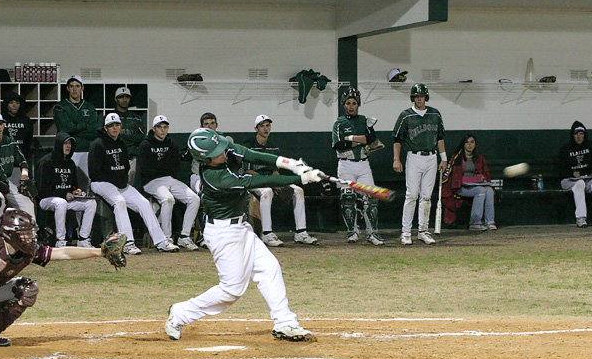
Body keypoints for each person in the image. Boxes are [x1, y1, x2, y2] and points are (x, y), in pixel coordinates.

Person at [164, 128, 324, 342]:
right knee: (231, 290)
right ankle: (180, 313)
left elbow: (253, 155)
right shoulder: (216, 178)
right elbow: (254, 182)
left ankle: (285, 322)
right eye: (217, 152)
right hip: (224, 234)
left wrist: (292, 164)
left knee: (269, 268)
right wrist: (299, 179)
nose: (224, 152)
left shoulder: (224, 149)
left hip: (241, 227)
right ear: (205, 158)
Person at [0, 208, 108, 352]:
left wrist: (99, 252)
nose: (30, 238)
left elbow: (63, 252)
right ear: (11, 234)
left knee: (27, 288)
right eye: (25, 234)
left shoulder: (27, 251)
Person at [89, 113, 179, 255]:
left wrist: (120, 181)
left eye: (117, 125)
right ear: (105, 128)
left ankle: (161, 241)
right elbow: (94, 172)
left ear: (121, 126)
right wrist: (115, 181)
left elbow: (125, 166)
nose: (114, 128)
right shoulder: (97, 144)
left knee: (143, 203)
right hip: (101, 182)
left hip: (119, 183)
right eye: (111, 126)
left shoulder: (122, 143)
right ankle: (128, 243)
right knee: (120, 202)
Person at [244, 114, 318, 247]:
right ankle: (267, 233)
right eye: (262, 126)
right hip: (253, 180)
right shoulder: (248, 146)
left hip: (270, 179)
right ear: (256, 129)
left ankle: (301, 232)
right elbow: (247, 170)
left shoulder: (274, 148)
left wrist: (280, 182)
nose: (266, 129)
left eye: (268, 126)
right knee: (267, 191)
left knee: (298, 190)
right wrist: (268, 181)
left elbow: (275, 171)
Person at [392, 83, 447, 245]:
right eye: (417, 96)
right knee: (412, 195)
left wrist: (443, 158)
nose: (419, 99)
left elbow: (440, 138)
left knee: (426, 197)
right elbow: (397, 139)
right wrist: (396, 159)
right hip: (414, 157)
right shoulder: (406, 116)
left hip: (432, 157)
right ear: (413, 98)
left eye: (422, 96)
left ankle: (423, 231)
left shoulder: (435, 114)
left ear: (426, 97)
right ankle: (406, 232)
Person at [139, 115, 200, 250]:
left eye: (165, 127)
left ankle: (184, 236)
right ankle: (166, 238)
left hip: (169, 179)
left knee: (194, 198)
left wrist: (163, 167)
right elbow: (146, 169)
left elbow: (175, 166)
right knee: (168, 199)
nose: (163, 130)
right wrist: (163, 167)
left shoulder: (171, 143)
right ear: (154, 129)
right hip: (151, 181)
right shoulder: (145, 145)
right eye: (160, 127)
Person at [332, 87, 384, 245]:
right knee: (348, 196)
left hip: (363, 164)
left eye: (354, 103)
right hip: (346, 164)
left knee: (372, 197)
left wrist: (350, 138)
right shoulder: (339, 123)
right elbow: (338, 145)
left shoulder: (364, 120)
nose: (351, 106)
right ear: (343, 105)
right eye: (348, 103)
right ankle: (352, 231)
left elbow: (371, 139)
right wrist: (360, 140)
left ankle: (372, 233)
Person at [36, 132, 97, 248]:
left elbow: (73, 185)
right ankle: (61, 241)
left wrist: (76, 191)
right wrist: (64, 194)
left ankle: (83, 238)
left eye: (69, 143)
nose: (68, 146)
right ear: (59, 144)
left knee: (91, 203)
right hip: (47, 200)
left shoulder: (71, 163)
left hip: (65, 199)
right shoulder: (46, 162)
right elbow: (42, 190)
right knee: (61, 202)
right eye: (65, 143)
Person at [440, 134, 497, 231]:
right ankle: (475, 223)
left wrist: (482, 179)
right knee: (481, 191)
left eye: (472, 142)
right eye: (467, 142)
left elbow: (485, 173)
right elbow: (453, 177)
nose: (469, 145)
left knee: (489, 191)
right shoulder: (456, 157)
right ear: (463, 144)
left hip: (475, 184)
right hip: (460, 187)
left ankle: (490, 222)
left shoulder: (479, 157)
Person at [557, 121, 592, 228]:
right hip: (569, 181)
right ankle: (581, 218)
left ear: (584, 134)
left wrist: (589, 172)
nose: (579, 137)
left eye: (581, 134)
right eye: (576, 134)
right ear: (572, 135)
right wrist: (572, 173)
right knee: (579, 184)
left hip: (586, 178)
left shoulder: (590, 146)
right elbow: (560, 169)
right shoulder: (565, 149)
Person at [53, 75, 99, 189]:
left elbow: (93, 131)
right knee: (66, 183)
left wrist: (74, 130)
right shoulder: (61, 107)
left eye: (77, 86)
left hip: (86, 151)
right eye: (72, 86)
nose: (74, 89)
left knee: (87, 184)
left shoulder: (90, 108)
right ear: (68, 88)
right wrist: (84, 125)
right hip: (68, 152)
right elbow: (64, 129)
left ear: (82, 88)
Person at [0, 113, 35, 217]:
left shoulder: (9, 141)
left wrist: (24, 173)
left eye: (1, 124)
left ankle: (31, 232)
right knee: (0, 201)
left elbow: (22, 161)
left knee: (27, 205)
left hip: (6, 182)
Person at [0, 91, 35, 187]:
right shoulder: (0, 121)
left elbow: (28, 141)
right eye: (11, 103)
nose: (14, 105)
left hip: (21, 163)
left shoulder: (26, 121)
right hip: (4, 163)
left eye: (17, 103)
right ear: (6, 104)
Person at [113, 87, 146, 185]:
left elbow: (141, 137)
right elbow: (108, 138)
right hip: (114, 156)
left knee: (129, 185)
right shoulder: (110, 117)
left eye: (127, 97)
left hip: (131, 156)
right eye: (121, 97)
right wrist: (131, 139)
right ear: (116, 99)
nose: (124, 100)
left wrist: (121, 137)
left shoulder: (136, 118)